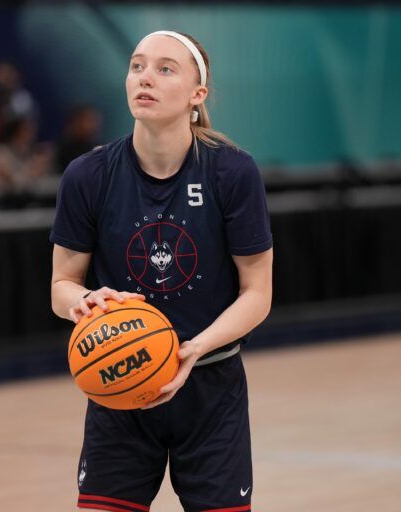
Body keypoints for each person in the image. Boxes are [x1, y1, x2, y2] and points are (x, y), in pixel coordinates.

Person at [50, 31, 273, 512]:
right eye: (136, 66)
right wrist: (82, 302)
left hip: (209, 385)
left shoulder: (232, 172)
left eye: (165, 68)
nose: (144, 77)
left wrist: (194, 349)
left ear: (198, 95)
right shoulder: (88, 175)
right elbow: (61, 286)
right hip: (118, 380)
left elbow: (258, 294)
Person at [55, 104, 103, 172]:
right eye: (85, 120)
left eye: (93, 120)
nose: (90, 125)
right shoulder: (57, 152)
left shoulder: (100, 152)